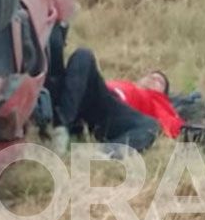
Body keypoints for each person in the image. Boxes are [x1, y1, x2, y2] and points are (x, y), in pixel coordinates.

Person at [47, 48, 182, 156]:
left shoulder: (159, 102)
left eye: (159, 81)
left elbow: (173, 126)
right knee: (84, 54)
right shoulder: (127, 85)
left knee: (152, 126)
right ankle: (60, 128)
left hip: (112, 112)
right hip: (91, 95)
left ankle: (100, 153)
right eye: (151, 76)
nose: (153, 79)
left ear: (164, 94)